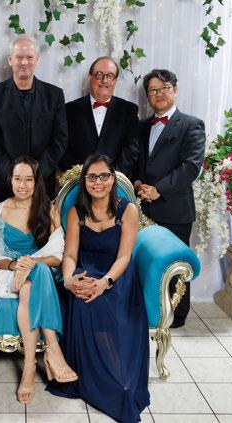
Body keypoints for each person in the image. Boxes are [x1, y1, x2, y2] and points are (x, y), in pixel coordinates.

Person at [47, 153, 150, 422]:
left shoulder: (128, 210)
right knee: (83, 300)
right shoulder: (76, 212)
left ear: (113, 179)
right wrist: (68, 280)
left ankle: (120, 381)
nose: (98, 182)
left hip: (117, 276)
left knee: (101, 301)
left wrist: (105, 283)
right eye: (92, 177)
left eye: (104, 176)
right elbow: (70, 254)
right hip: (84, 271)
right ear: (84, 181)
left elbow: (124, 256)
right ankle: (95, 379)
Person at [0, 157, 77, 405]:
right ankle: (53, 351)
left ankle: (29, 367)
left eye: (28, 179)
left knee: (36, 278)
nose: (22, 185)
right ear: (10, 180)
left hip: (39, 269)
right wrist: (15, 265)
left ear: (37, 181)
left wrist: (31, 262)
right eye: (17, 179)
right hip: (8, 272)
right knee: (33, 279)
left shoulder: (48, 209)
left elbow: (57, 256)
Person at [120, 68, 206, 328]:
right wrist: (137, 184)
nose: (158, 94)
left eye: (164, 88)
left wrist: (158, 189)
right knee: (147, 261)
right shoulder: (141, 126)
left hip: (174, 208)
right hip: (143, 207)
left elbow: (190, 167)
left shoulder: (191, 125)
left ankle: (177, 315)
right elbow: (135, 161)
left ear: (175, 89)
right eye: (153, 90)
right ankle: (149, 312)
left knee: (176, 262)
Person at [0, 35, 68, 204]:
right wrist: (13, 175)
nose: (24, 62)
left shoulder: (55, 94)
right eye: (19, 57)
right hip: (5, 183)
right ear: (10, 60)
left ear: (37, 60)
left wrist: (36, 174)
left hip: (42, 183)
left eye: (29, 57)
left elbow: (60, 138)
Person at [60, 57, 138, 171]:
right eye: (99, 74)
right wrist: (80, 175)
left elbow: (131, 150)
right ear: (89, 77)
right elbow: (62, 147)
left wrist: (111, 176)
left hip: (115, 179)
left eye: (110, 76)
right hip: (79, 179)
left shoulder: (129, 110)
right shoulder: (69, 109)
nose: (104, 80)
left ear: (115, 81)